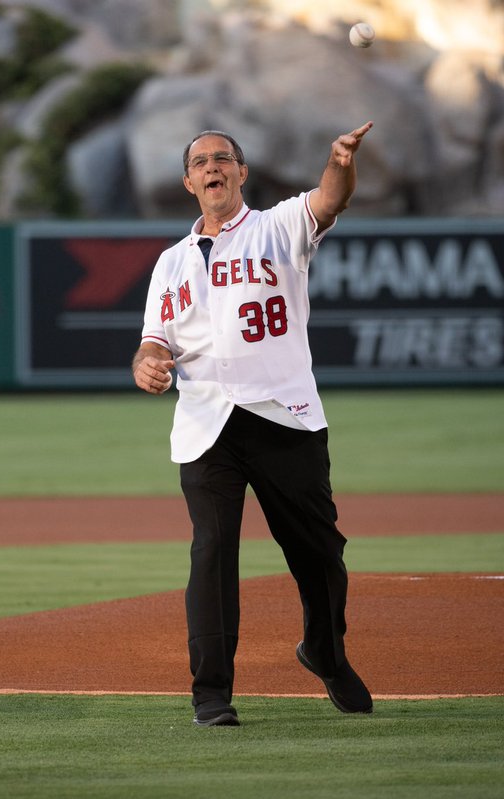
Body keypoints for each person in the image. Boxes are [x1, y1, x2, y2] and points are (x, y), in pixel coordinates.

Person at [131, 125, 376, 727]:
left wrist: (339, 162)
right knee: (212, 551)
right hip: (206, 425)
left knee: (319, 553)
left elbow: (330, 198)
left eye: (223, 158)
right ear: (188, 182)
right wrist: (148, 365)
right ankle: (210, 694)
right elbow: (152, 344)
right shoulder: (169, 264)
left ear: (242, 173)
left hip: (283, 418)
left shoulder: (278, 227)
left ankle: (324, 649)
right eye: (200, 162)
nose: (212, 167)